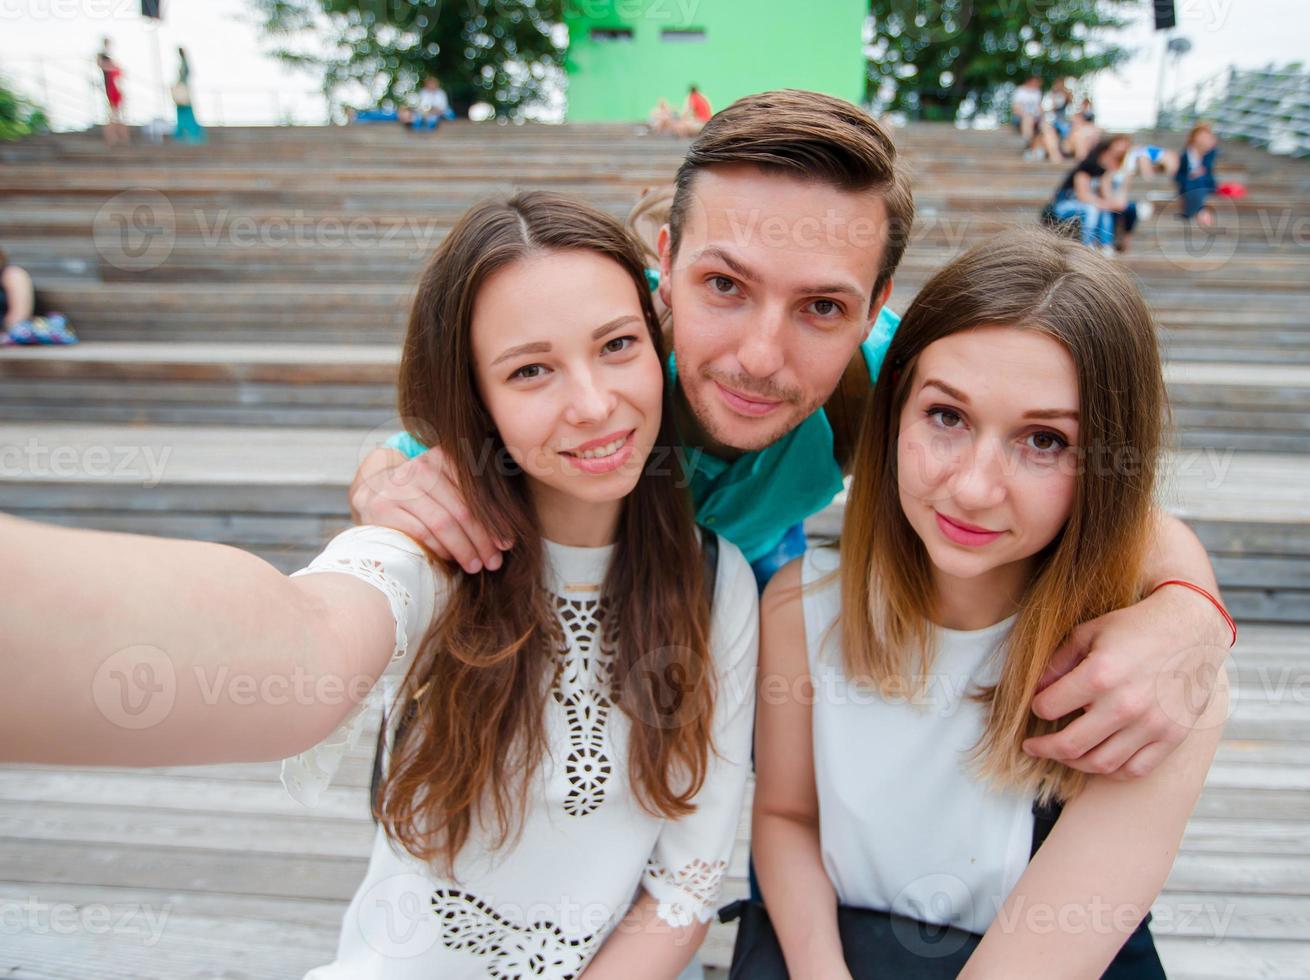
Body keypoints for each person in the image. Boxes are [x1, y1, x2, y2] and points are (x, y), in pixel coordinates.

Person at [350, 90, 1235, 784]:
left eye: (821, 306)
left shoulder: (895, 375)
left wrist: (1192, 617)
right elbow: (413, 446)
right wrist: (382, 479)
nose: (760, 358)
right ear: (664, 262)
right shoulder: (601, 364)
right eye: (724, 286)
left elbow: (1131, 510)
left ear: (876, 308)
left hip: (753, 567)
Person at [0, 193, 759, 979]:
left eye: (617, 345)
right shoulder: (427, 552)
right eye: (530, 369)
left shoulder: (716, 583)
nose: (595, 403)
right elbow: (309, 643)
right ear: (477, 400)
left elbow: (684, 888)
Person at [743, 229, 1226, 977]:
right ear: (895, 411)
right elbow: (785, 816)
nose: (972, 486)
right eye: (947, 416)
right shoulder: (797, 608)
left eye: (1043, 441)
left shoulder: (1153, 679)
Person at [1048, 133, 1133, 252]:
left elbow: (1107, 196)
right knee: (1092, 209)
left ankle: (1106, 245)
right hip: (1064, 205)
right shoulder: (1085, 169)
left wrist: (1108, 201)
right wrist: (1105, 204)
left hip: (1088, 205)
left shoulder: (1105, 174)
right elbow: (1082, 196)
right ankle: (1087, 246)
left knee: (1103, 209)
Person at [1177, 122, 1220, 227]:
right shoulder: (1186, 154)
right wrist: (1191, 175)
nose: (1202, 138)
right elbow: (1179, 174)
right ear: (1194, 137)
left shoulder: (1210, 152)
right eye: (1200, 135)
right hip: (1188, 185)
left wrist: (1209, 146)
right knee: (1192, 182)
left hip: (1205, 184)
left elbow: (1206, 168)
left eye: (1205, 136)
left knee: (1198, 182)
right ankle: (1201, 211)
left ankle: (1193, 212)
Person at [1011, 76, 1059, 163]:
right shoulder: (1020, 91)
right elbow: (1016, 109)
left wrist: (1042, 115)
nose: (1037, 85)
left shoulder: (1037, 92)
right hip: (1022, 118)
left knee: (1047, 126)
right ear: (1030, 81)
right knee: (1028, 118)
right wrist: (1027, 115)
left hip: (1035, 118)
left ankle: (1054, 155)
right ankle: (1028, 142)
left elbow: (1039, 108)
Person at [172, 48, 206, 145]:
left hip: (183, 93)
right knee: (184, 114)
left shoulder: (184, 64)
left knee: (186, 114)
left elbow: (183, 76)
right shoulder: (184, 63)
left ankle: (190, 134)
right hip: (183, 93)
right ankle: (185, 134)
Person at [97, 37, 127, 146]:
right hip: (110, 87)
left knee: (118, 113)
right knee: (111, 114)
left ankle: (121, 137)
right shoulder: (102, 56)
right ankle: (111, 137)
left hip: (116, 87)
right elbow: (102, 66)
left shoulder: (110, 57)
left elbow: (119, 70)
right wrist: (112, 67)